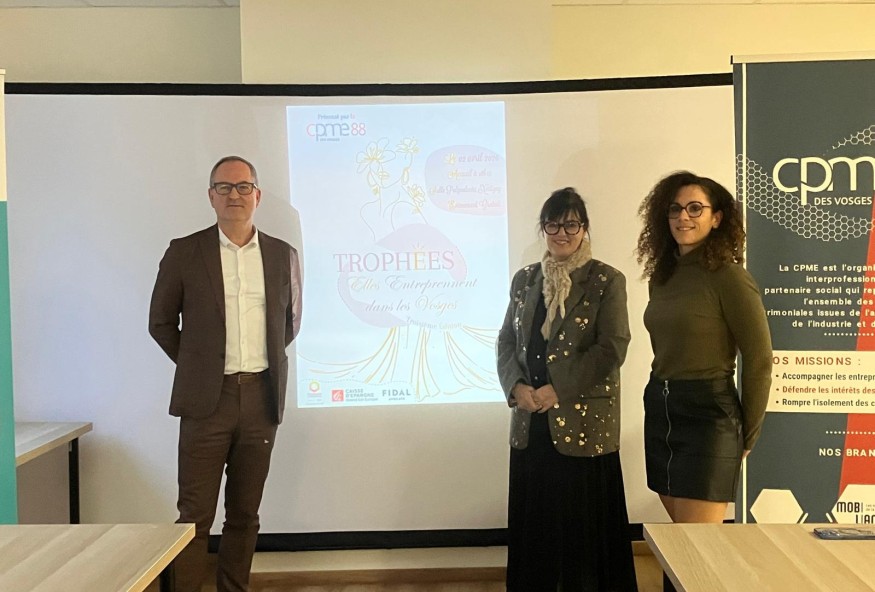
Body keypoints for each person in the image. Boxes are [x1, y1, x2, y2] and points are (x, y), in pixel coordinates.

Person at [149, 155, 302, 592]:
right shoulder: (184, 252)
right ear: (211, 196)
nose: (234, 195)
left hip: (260, 400)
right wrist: (200, 367)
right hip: (206, 403)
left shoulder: (282, 255)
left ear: (258, 195)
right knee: (193, 517)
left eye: (243, 187)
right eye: (224, 187)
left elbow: (290, 323)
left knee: (244, 515)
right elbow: (161, 323)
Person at [497, 187, 638, 592]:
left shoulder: (606, 280)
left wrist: (558, 390)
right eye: (553, 225)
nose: (562, 233)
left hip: (583, 427)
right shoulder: (525, 280)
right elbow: (506, 340)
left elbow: (612, 347)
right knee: (537, 528)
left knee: (583, 536)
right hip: (531, 423)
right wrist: (516, 387)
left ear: (584, 228)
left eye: (571, 225)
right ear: (543, 229)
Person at [636, 171, 772, 522]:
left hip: (709, 417)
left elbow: (759, 359)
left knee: (699, 543)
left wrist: (748, 434)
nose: (683, 216)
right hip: (662, 410)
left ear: (717, 218)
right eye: (675, 208)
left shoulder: (730, 277)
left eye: (695, 208)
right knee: (679, 542)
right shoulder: (662, 277)